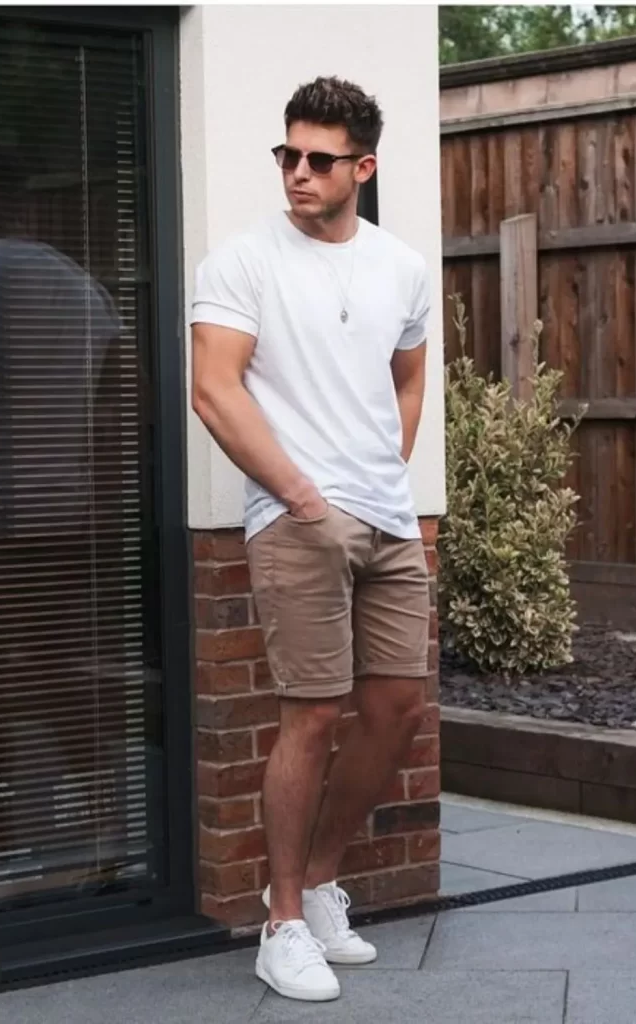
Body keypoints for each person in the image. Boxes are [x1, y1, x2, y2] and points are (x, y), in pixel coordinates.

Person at [190, 76, 431, 1003]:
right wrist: (301, 494)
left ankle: (324, 883)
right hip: (296, 519)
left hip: (386, 518)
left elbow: (406, 381)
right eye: (286, 154)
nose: (296, 171)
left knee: (396, 707)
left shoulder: (400, 266)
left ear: (362, 168)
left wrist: (381, 474)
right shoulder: (242, 261)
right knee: (313, 712)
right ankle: (282, 921)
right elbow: (216, 390)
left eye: (318, 159)